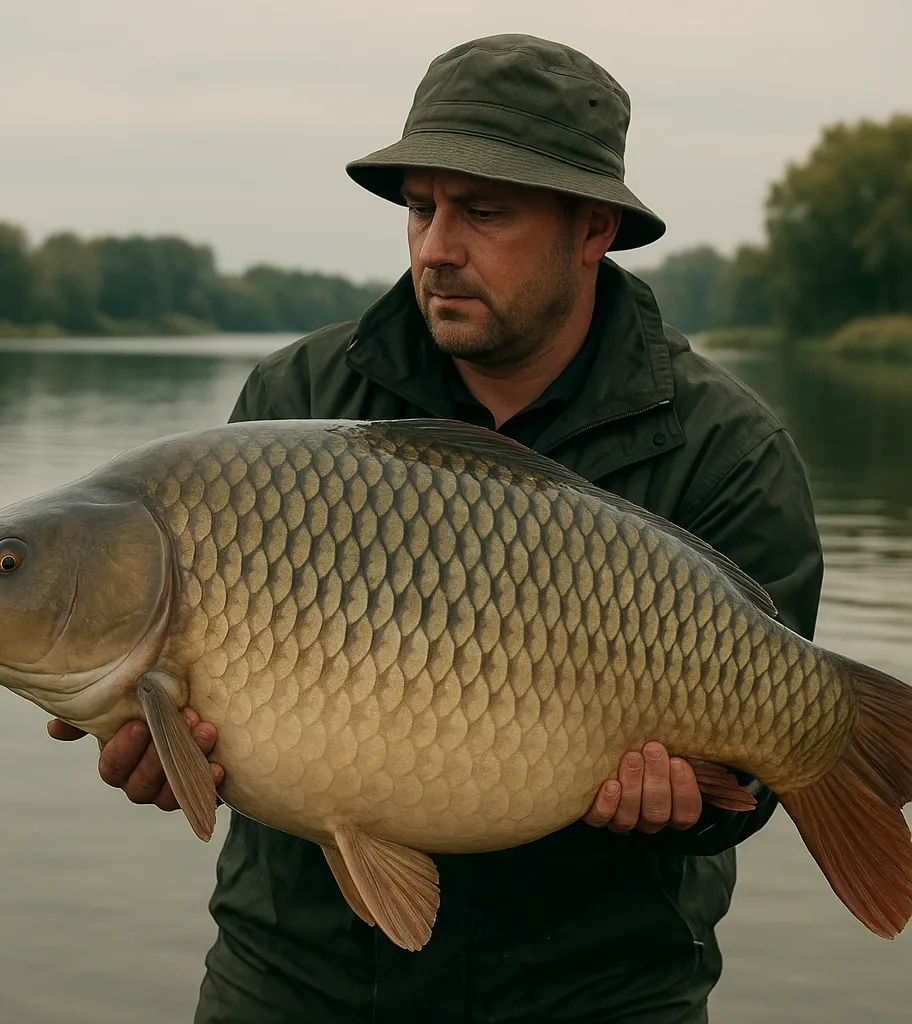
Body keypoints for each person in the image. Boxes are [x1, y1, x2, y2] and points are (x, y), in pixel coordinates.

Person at [49, 34, 823, 1023]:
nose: (435, 247)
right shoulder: (297, 400)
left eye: (482, 213)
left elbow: (748, 788)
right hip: (297, 978)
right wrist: (168, 755)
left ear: (592, 228)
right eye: (421, 207)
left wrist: (686, 810)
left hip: (598, 991)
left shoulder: (727, 450)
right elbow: (208, 707)